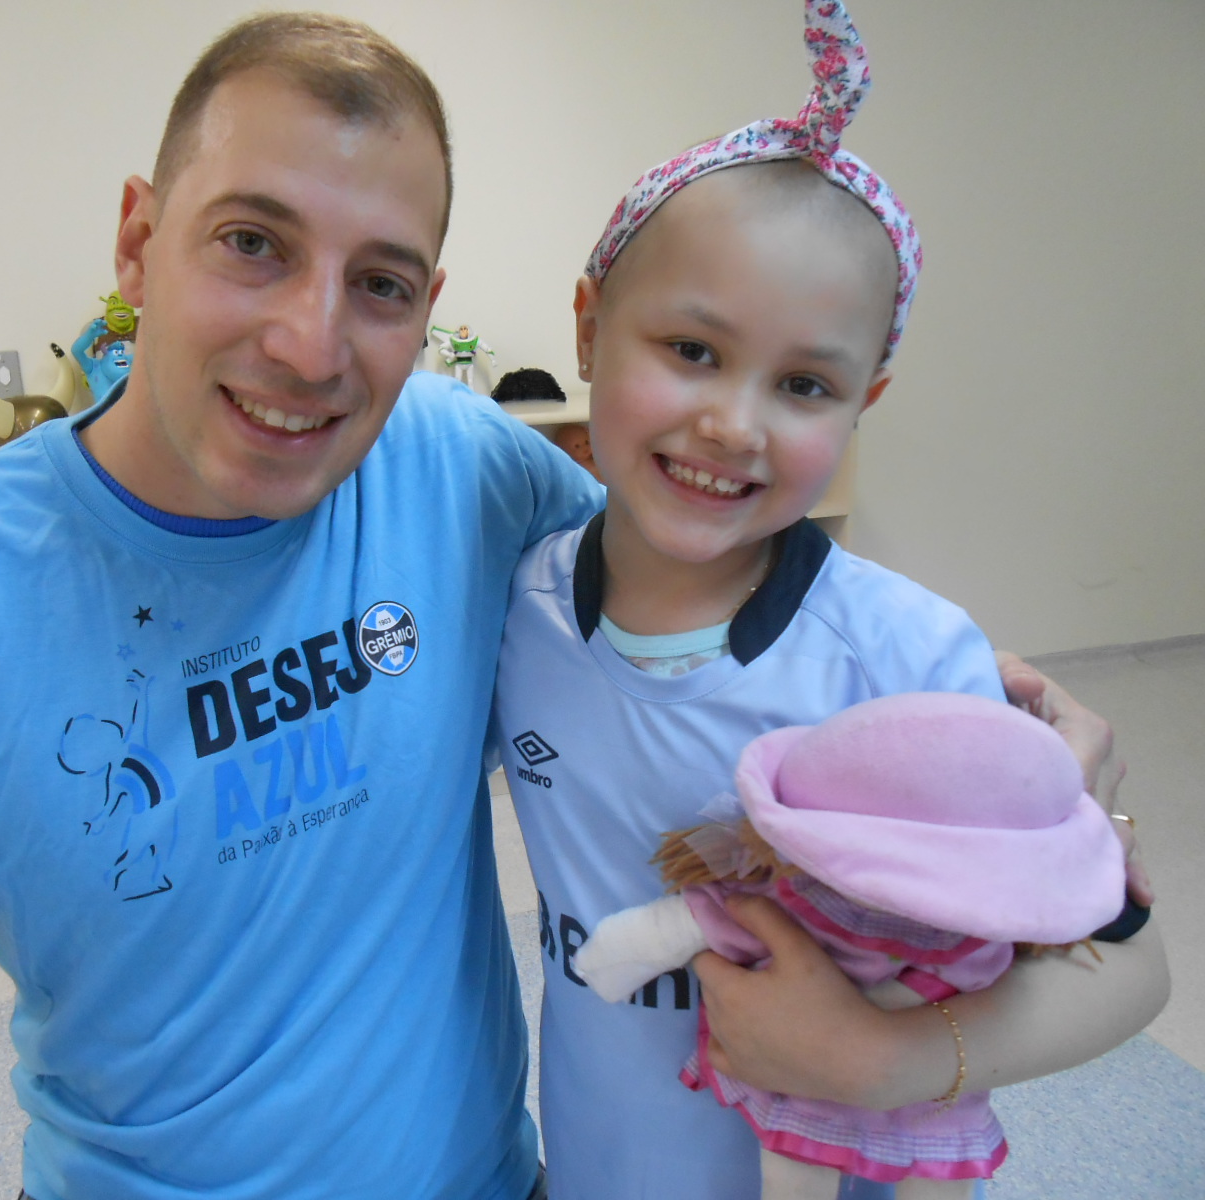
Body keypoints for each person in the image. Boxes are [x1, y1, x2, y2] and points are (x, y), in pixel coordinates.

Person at [0, 11, 1150, 1200]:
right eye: (252, 241)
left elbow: (700, 588)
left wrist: (1001, 757)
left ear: (428, 302)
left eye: (380, 283)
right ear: (138, 239)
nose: (310, 342)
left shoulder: (464, 477)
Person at [492, 3, 1166, 1197]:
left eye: (803, 382)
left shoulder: (908, 662)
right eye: (691, 350)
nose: (732, 423)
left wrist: (886, 1057)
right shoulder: (519, 603)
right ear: (590, 326)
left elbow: (1129, 968)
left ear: (867, 398)